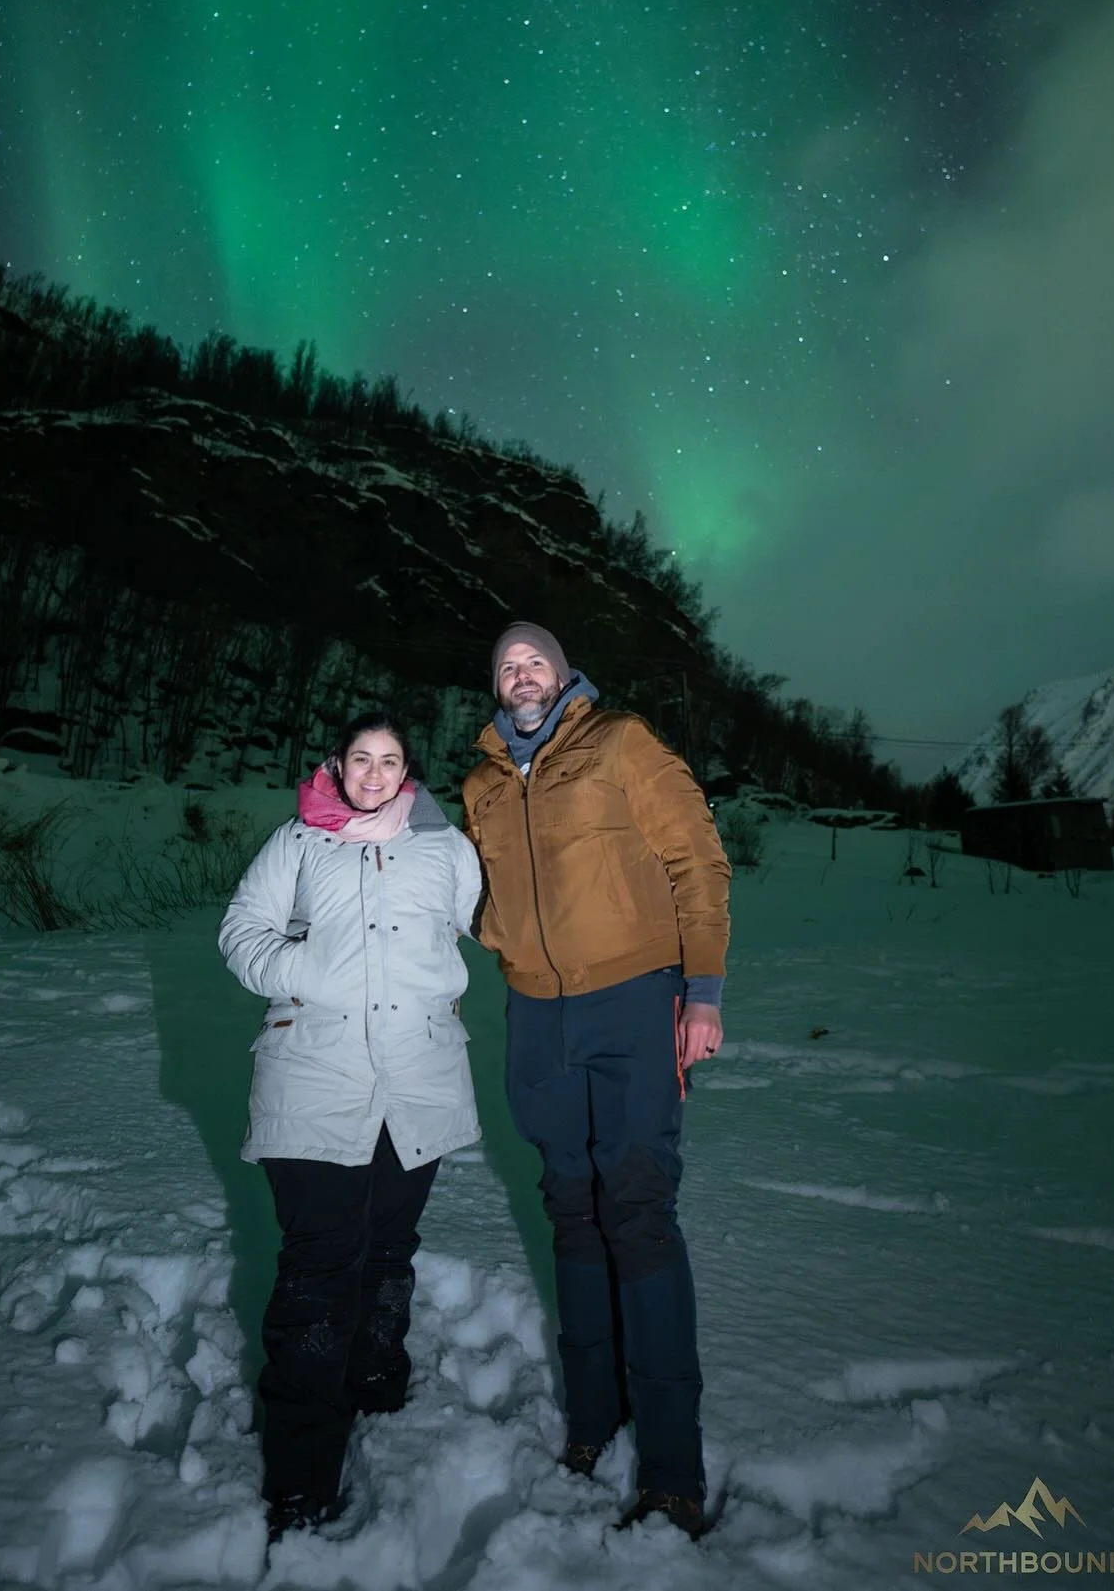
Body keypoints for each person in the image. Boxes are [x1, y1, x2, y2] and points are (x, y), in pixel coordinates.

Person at [462, 621, 731, 1543]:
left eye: (534, 659)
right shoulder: (482, 783)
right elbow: (478, 890)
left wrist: (702, 988)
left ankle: (670, 1468)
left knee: (638, 1207)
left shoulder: (621, 741)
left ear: (564, 671)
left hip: (632, 1000)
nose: (521, 674)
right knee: (568, 1207)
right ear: (496, 689)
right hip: (535, 1014)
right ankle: (591, 1420)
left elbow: (698, 856)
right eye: (506, 667)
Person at [218, 710, 483, 1541]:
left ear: (408, 770)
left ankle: (377, 1383)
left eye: (390, 759)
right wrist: (307, 970)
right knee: (318, 1267)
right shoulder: (297, 841)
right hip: (314, 1077)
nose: (373, 772)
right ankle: (300, 1476)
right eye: (360, 758)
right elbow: (240, 933)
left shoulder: (444, 846)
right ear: (336, 763)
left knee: (390, 1244)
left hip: (417, 1078)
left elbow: (490, 925)